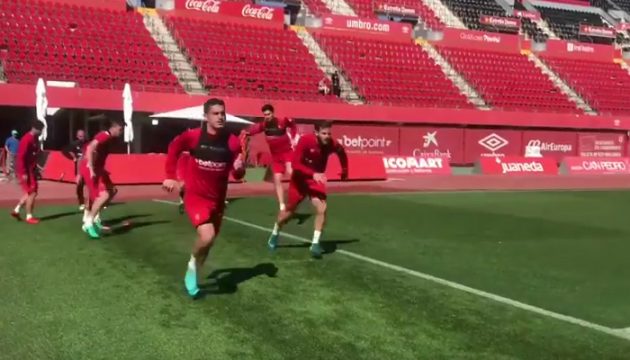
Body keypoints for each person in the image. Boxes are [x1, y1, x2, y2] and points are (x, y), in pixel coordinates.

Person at [162, 98, 245, 297]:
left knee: (209, 242)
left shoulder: (232, 142)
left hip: (217, 199)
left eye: (222, 113)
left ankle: (195, 273)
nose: (220, 117)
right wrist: (169, 176)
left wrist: (240, 169)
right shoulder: (193, 137)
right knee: (206, 236)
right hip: (195, 195)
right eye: (215, 113)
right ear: (205, 116)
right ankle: (191, 268)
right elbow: (173, 150)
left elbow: (238, 175)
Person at [267, 121, 348, 258]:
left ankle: (315, 244)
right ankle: (275, 232)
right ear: (316, 133)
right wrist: (313, 174)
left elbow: (342, 153)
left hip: (316, 180)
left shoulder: (332, 144)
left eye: (329, 133)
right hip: (300, 179)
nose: (327, 136)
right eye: (324, 133)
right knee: (289, 212)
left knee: (322, 208)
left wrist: (345, 169)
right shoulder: (305, 141)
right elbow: (295, 164)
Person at [242, 104, 298, 211]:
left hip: (287, 153)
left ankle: (298, 195)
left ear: (273, 113)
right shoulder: (264, 125)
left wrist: (294, 138)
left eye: (268, 114)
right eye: (265, 115)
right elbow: (253, 130)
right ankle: (282, 205)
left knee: (291, 172)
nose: (267, 116)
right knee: (277, 180)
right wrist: (246, 133)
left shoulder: (282, 121)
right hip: (276, 157)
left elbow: (293, 125)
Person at [80, 118, 124, 239]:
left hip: (98, 168)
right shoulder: (104, 135)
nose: (121, 132)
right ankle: (89, 223)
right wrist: (90, 168)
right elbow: (90, 148)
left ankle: (94, 217)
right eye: (120, 129)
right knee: (103, 195)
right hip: (91, 168)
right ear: (113, 128)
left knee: (112, 191)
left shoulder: (108, 138)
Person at [11, 121, 45, 224]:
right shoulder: (26, 139)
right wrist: (23, 172)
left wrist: (37, 166)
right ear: (35, 128)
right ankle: (29, 216)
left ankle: (16, 210)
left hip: (31, 169)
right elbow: (21, 157)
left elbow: (33, 155)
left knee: (30, 192)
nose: (41, 132)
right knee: (32, 192)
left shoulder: (34, 139)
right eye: (40, 130)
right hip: (25, 170)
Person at [62, 129, 88, 210]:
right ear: (77, 136)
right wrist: (74, 157)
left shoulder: (88, 143)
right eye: (80, 136)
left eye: (83, 136)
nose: (82, 137)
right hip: (79, 167)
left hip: (88, 166)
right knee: (79, 185)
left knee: (91, 184)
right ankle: (81, 202)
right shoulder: (74, 144)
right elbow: (66, 150)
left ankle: (95, 201)